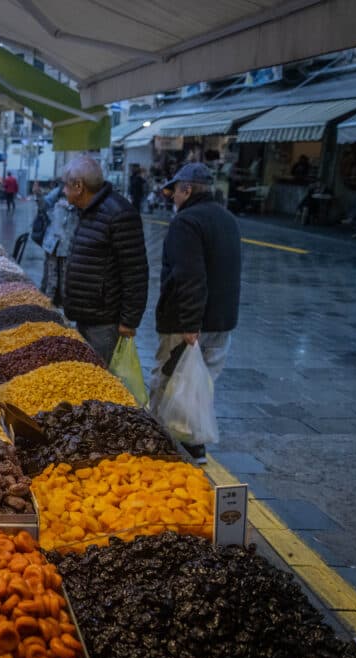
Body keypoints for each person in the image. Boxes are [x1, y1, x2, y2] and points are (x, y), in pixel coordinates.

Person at [151, 163, 241, 462]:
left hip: (189, 324)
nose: (173, 197)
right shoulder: (227, 219)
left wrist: (190, 324)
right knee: (200, 385)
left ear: (187, 189)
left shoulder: (186, 223)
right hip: (222, 323)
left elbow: (189, 276)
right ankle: (193, 444)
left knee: (170, 383)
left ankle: (161, 447)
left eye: (176, 190)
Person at [61, 155, 149, 364]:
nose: (63, 191)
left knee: (101, 381)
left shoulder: (119, 214)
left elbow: (135, 272)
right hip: (87, 314)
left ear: (79, 186)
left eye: (65, 185)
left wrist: (129, 321)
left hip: (105, 322)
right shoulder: (88, 211)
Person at [39, 182, 75, 306]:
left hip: (69, 245)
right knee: (51, 277)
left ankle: (64, 308)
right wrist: (38, 194)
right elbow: (44, 205)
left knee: (66, 278)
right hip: (53, 243)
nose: (65, 190)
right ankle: (48, 305)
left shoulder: (80, 200)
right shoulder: (57, 193)